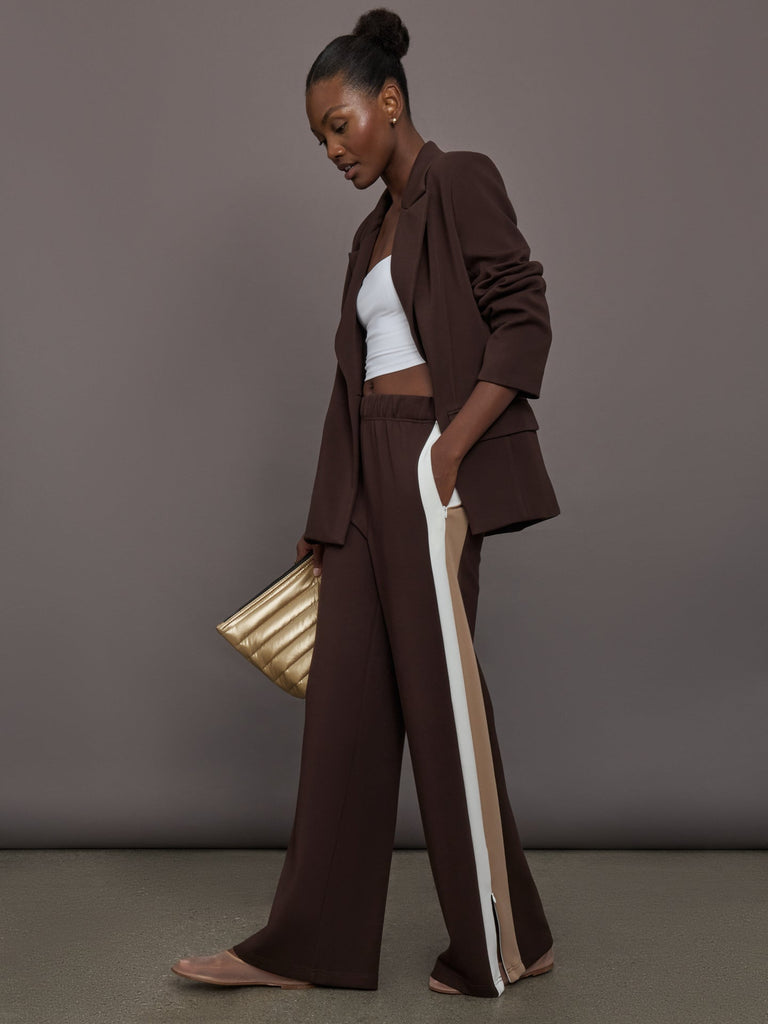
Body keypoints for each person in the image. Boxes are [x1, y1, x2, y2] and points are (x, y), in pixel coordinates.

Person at [171, 6, 560, 999]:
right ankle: (305, 946)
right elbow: (351, 383)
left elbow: (523, 318)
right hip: (364, 479)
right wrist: (327, 514)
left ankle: (504, 944)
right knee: (343, 709)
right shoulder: (370, 230)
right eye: (318, 137)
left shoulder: (458, 180)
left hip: (430, 460)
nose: (331, 148)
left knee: (441, 705)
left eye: (338, 124)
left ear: (388, 101)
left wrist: (450, 450)